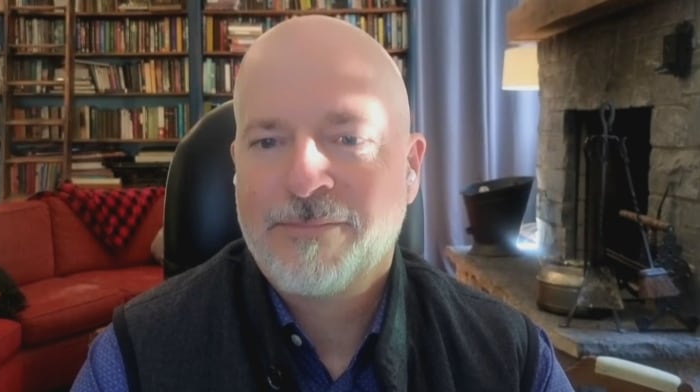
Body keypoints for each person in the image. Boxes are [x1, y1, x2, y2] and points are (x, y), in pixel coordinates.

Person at [70, 15, 574, 391]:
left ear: (411, 170)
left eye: (348, 138)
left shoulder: (513, 362)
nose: (305, 178)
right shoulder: (133, 359)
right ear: (237, 168)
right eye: (268, 142)